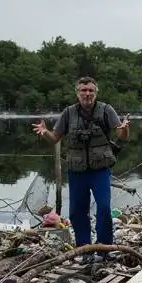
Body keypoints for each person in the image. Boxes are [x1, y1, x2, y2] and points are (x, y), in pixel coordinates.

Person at [32, 77, 130, 261]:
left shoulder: (106, 110)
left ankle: (104, 249)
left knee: (103, 208)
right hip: (76, 171)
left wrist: (124, 129)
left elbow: (121, 135)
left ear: (96, 93)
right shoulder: (68, 113)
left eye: (91, 90)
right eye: (83, 90)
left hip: (100, 170)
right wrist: (44, 132)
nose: (87, 94)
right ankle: (85, 250)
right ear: (77, 93)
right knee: (77, 211)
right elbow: (55, 138)